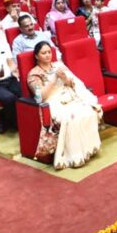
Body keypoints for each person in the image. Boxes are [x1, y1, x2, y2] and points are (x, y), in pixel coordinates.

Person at [27, 41, 102, 169]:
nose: (47, 55)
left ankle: (87, 151)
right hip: (51, 101)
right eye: (43, 53)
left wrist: (64, 78)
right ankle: (74, 156)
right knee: (70, 118)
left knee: (88, 112)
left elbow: (72, 84)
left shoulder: (59, 66)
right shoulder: (34, 74)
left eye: (49, 52)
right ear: (36, 56)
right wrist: (54, 79)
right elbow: (40, 97)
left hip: (68, 96)